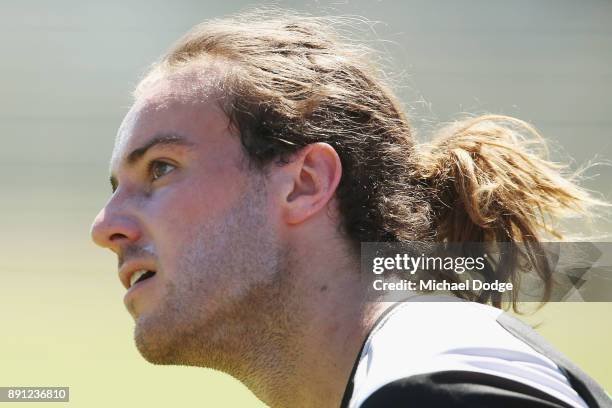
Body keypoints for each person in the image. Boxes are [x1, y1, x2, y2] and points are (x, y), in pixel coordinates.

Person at [90, 9, 611, 408]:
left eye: (160, 168)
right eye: (115, 187)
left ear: (305, 184)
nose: (104, 226)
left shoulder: (431, 383)